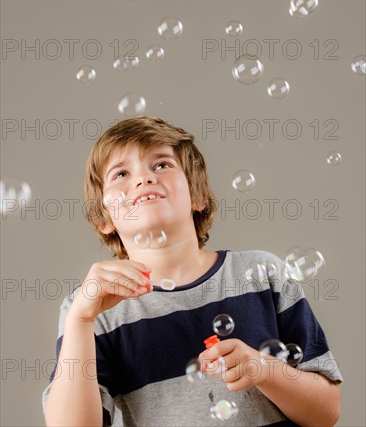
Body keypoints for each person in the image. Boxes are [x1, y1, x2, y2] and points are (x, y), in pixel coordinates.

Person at [42, 116, 342, 426]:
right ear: (102, 219)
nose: (144, 178)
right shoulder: (94, 309)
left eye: (161, 165)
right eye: (121, 173)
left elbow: (326, 411)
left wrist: (262, 369)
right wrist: (80, 319)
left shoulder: (262, 274)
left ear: (197, 195)